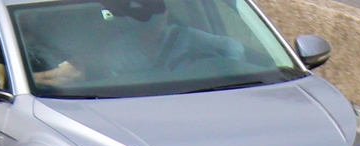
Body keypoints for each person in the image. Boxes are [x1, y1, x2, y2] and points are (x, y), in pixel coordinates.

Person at [28, 0, 260, 90]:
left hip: (196, 91)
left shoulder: (186, 36)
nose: (158, 21)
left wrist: (228, 67)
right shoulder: (120, 49)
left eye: (161, 14)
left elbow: (232, 46)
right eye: (150, 16)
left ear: (167, 16)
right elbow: (114, 75)